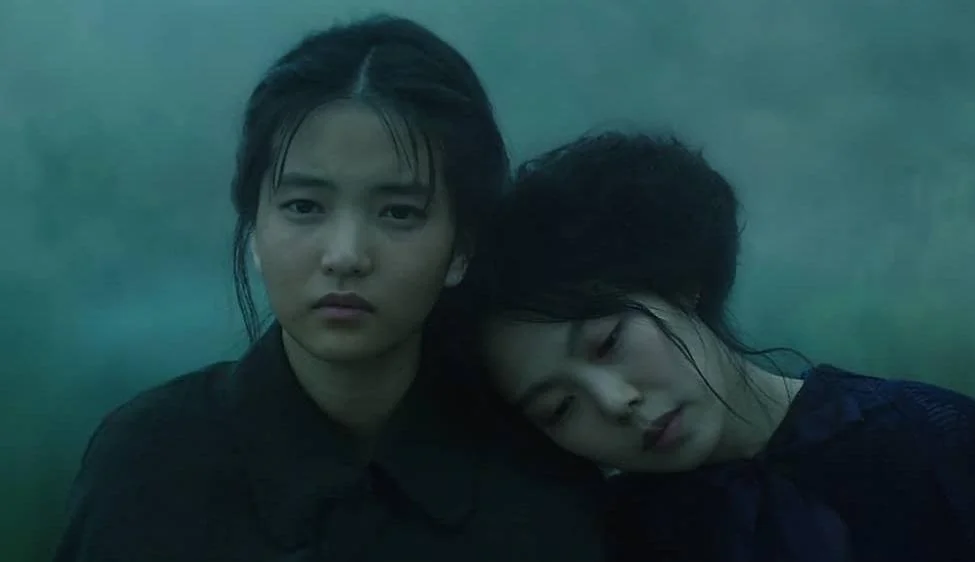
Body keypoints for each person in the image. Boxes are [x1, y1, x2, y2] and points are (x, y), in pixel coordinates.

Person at [52, 15, 608, 562]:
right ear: (254, 228)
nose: (345, 255)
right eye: (304, 206)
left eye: (399, 212)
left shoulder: (536, 480)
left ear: (461, 247)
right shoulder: (150, 463)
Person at [455, 130, 975, 562]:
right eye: (559, 408)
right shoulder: (610, 539)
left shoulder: (929, 434)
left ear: (677, 283)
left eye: (608, 342)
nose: (615, 402)